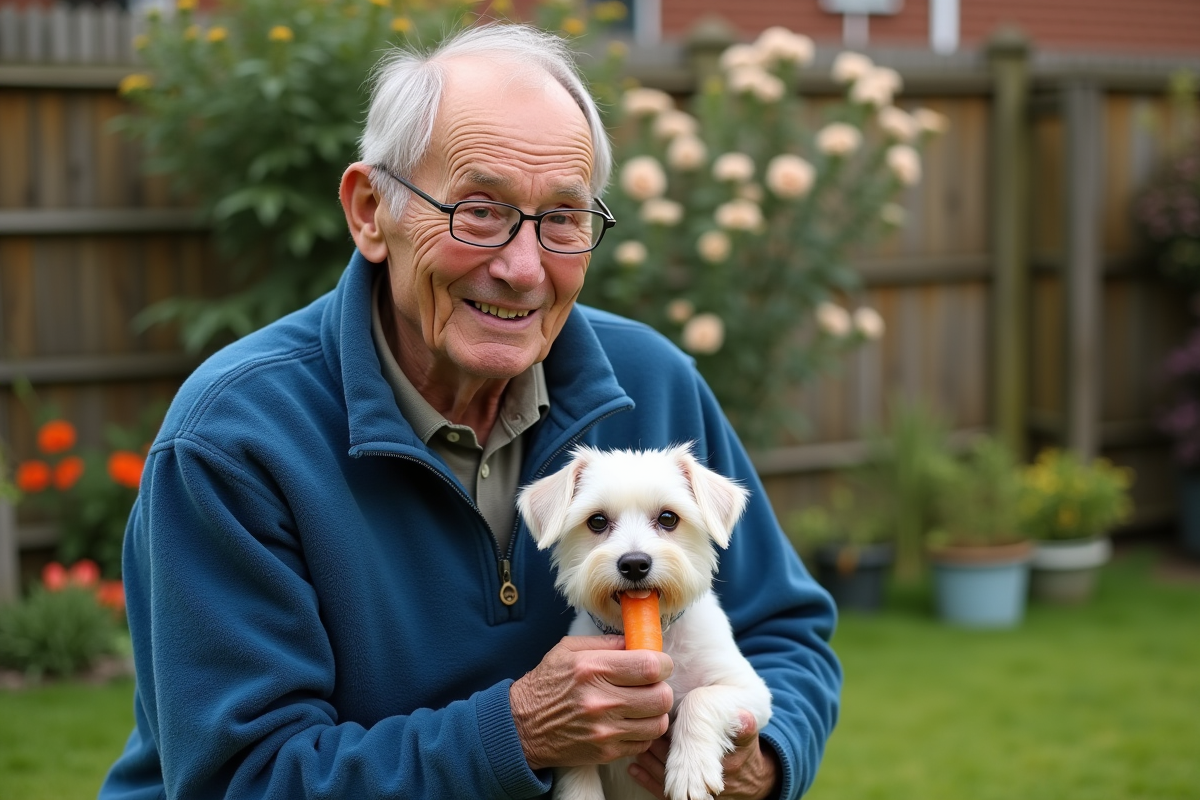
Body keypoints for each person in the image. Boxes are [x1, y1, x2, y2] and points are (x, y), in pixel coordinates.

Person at [99, 23, 841, 800]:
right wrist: (514, 733)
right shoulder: (235, 439)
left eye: (564, 218)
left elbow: (783, 632)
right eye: (479, 210)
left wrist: (757, 763)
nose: (524, 269)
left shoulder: (652, 382)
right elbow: (243, 779)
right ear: (369, 211)